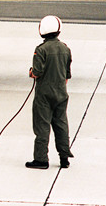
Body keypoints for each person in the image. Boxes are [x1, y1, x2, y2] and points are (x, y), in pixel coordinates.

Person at [26, 15, 74, 169]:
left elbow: (37, 72)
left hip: (44, 95)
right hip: (61, 94)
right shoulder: (65, 48)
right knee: (61, 125)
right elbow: (67, 75)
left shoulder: (41, 50)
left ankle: (41, 159)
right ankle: (64, 158)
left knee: (42, 126)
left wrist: (31, 72)